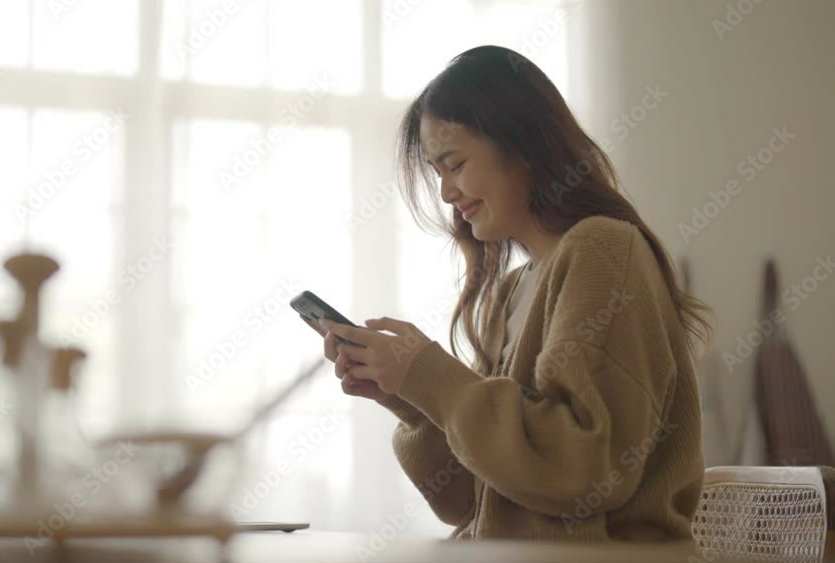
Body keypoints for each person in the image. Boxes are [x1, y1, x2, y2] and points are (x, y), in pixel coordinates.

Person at [302, 45, 713, 542]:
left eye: (454, 164)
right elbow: (467, 502)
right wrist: (411, 398)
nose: (447, 194)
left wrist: (430, 375)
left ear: (522, 146)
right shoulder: (514, 291)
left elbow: (587, 470)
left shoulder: (602, 249)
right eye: (438, 174)